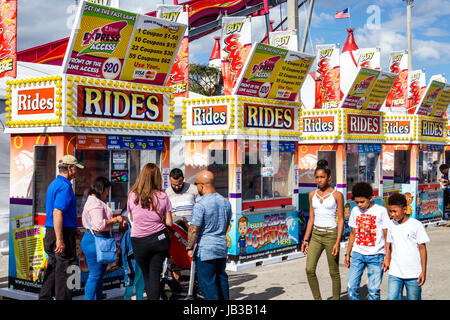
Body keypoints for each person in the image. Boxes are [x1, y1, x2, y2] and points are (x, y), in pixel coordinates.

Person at [39, 155, 84, 300]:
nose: (77, 171)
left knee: (53, 269)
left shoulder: (54, 184)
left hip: (53, 231)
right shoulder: (64, 187)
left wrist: (72, 226)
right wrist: (60, 239)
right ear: (70, 169)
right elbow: (57, 212)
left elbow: (58, 213)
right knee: (66, 272)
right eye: (76, 168)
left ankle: (44, 297)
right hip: (61, 233)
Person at [127, 163, 173, 300]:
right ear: (157, 177)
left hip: (139, 241)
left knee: (146, 275)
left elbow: (131, 217)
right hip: (159, 240)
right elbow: (169, 222)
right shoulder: (163, 196)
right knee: (155, 274)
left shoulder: (132, 195)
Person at [301, 161, 344, 300]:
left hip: (331, 235)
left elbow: (341, 220)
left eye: (322, 177)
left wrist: (338, 242)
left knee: (333, 272)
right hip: (316, 236)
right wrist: (305, 239)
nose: (319, 180)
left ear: (329, 177)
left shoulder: (337, 195)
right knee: (309, 269)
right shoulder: (312, 194)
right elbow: (311, 219)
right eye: (317, 177)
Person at [187, 171, 232, 300]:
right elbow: (227, 225)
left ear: (201, 186)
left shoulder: (200, 205)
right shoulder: (225, 202)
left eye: (196, 184)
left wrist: (189, 247)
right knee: (221, 277)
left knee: (207, 282)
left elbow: (194, 229)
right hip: (221, 246)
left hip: (206, 249)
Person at [345, 182, 391, 300]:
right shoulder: (355, 211)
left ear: (370, 198)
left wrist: (387, 256)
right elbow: (353, 233)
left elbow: (387, 235)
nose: (359, 205)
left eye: (362, 202)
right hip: (357, 254)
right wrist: (348, 253)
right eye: (357, 202)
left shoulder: (381, 211)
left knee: (373, 291)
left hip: (376, 256)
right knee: (351, 287)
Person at [80, 176, 123, 300]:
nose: (107, 193)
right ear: (101, 189)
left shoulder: (93, 201)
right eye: (107, 191)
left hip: (94, 240)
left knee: (98, 275)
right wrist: (115, 219)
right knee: (95, 275)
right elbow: (99, 225)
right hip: (96, 241)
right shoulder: (95, 204)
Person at [385, 193, 429, 300]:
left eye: (395, 211)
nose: (392, 214)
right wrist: (387, 258)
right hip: (395, 272)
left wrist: (423, 271)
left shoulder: (416, 225)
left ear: (405, 209)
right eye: (390, 211)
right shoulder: (391, 225)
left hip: (414, 274)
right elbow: (389, 243)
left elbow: (422, 249)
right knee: (392, 297)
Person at [120, 208, 145, 300]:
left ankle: (139, 297)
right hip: (133, 247)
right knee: (134, 275)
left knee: (141, 275)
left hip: (142, 245)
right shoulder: (127, 211)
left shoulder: (142, 208)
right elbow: (121, 227)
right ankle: (127, 297)